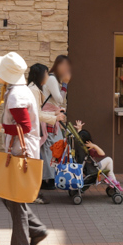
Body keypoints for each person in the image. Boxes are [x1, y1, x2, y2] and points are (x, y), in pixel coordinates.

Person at [0, 52, 48, 245]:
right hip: (23, 149)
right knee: (11, 196)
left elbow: (24, 127)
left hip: (20, 151)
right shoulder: (20, 91)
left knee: (12, 197)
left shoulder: (15, 95)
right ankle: (34, 230)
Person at [27, 63, 65, 204]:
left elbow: (37, 112)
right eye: (46, 74)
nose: (48, 77)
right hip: (30, 131)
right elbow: (36, 114)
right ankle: (32, 193)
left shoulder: (34, 88)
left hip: (32, 130)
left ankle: (33, 192)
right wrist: (54, 117)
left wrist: (54, 114)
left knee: (36, 158)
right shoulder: (33, 90)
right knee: (35, 159)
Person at [40, 55, 71, 190]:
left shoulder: (52, 79)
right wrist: (65, 84)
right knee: (51, 149)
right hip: (50, 118)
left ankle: (49, 178)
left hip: (51, 117)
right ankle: (48, 179)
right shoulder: (52, 79)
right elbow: (59, 100)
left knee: (53, 148)